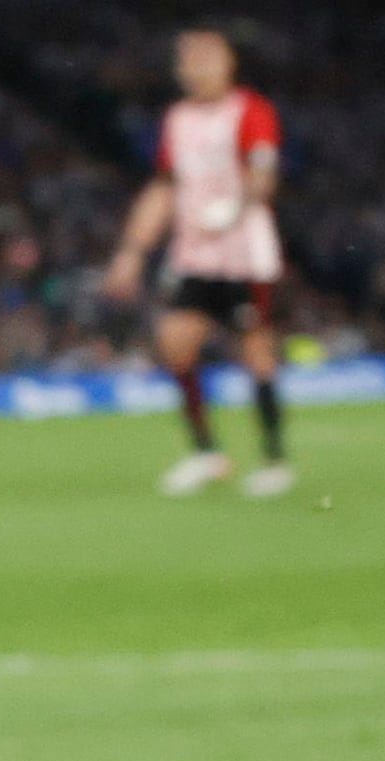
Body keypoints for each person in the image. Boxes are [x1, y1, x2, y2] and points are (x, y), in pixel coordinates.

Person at [104, 26, 291, 496]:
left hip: (244, 254)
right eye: (188, 59)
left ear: (228, 62)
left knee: (256, 351)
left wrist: (233, 208)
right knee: (175, 343)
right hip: (194, 254)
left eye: (206, 57)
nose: (196, 67)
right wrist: (131, 251)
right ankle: (207, 452)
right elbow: (165, 187)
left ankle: (273, 458)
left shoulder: (251, 111)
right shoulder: (178, 120)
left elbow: (264, 174)